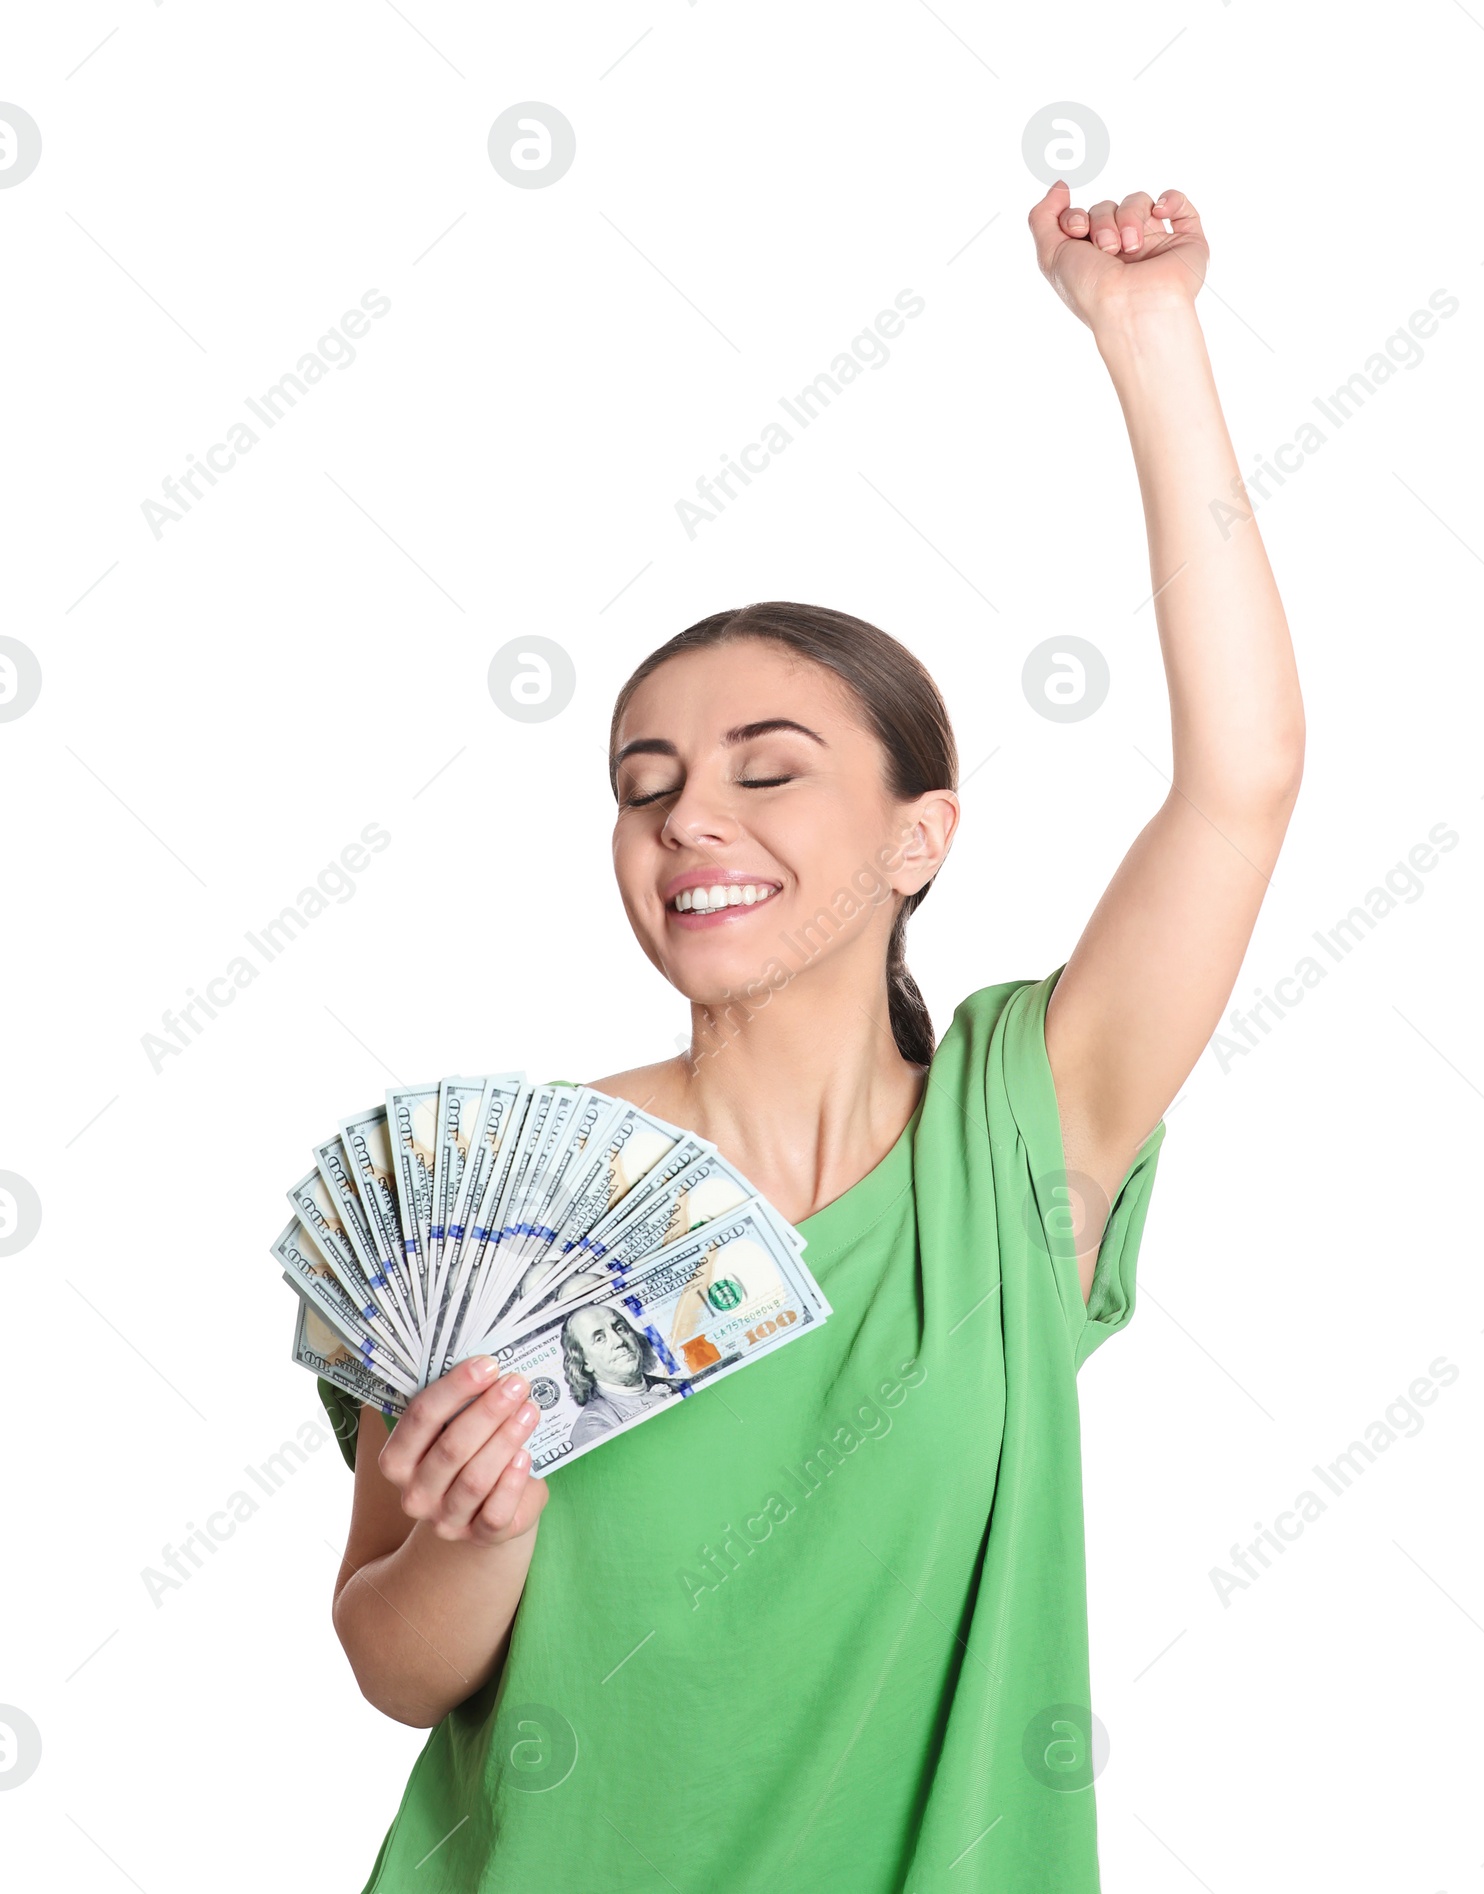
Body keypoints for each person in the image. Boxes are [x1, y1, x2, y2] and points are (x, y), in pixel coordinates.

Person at [319, 183, 1304, 1891]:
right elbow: (395, 1658)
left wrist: (1149, 336)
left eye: (769, 771)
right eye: (648, 787)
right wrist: (476, 1535)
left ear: (919, 837)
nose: (694, 816)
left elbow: (1245, 778)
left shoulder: (1021, 1137)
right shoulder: (490, 1198)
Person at [560, 1303, 676, 1449]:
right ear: (585, 1362)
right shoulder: (593, 1426)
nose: (619, 1341)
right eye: (600, 1339)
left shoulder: (680, 1385)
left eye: (620, 1329)